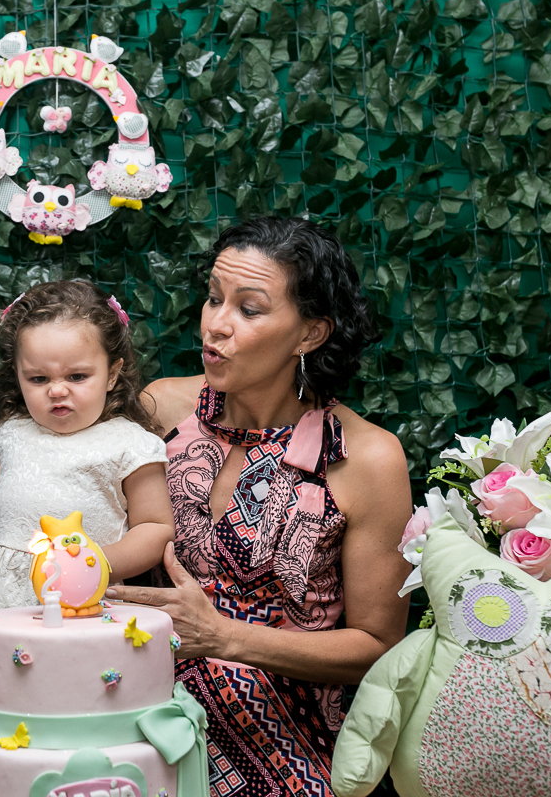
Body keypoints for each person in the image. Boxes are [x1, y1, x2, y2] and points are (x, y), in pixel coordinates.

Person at [107, 216, 412, 797]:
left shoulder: (368, 459)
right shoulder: (159, 411)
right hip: (138, 743)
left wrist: (224, 636)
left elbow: (377, 645)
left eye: (248, 309)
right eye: (213, 298)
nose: (216, 325)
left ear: (310, 334)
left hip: (288, 761)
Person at [0, 279, 176, 754]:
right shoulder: (10, 435)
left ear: (113, 371)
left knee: (65, 730)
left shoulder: (128, 444)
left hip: (82, 609)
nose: (57, 391)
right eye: (38, 379)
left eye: (78, 377)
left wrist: (97, 564)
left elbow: (156, 527)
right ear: (17, 375)